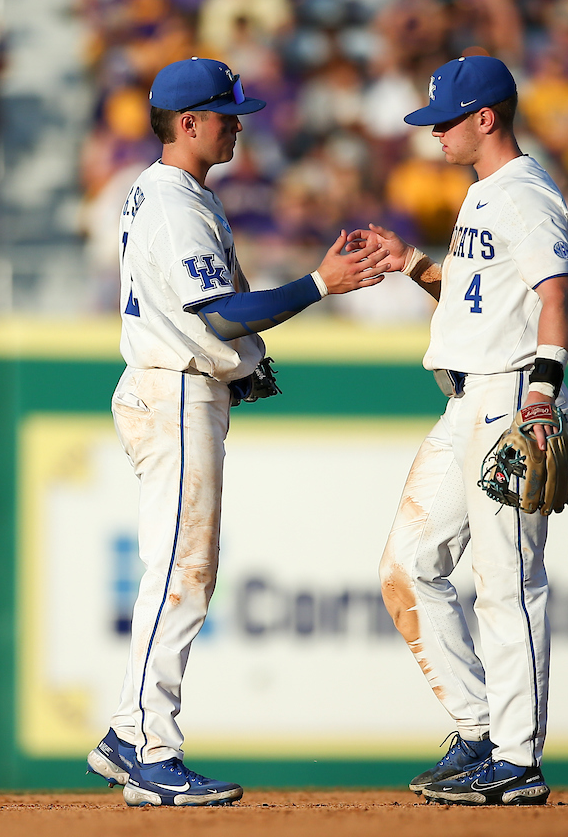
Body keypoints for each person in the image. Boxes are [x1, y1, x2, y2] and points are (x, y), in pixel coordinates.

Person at [85, 57, 389, 807]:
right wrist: (321, 285)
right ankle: (153, 751)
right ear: (187, 123)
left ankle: (131, 733)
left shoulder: (176, 193)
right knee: (180, 573)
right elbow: (217, 314)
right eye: (225, 114)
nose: (237, 124)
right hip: (175, 391)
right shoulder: (174, 202)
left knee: (177, 568)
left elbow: (211, 317)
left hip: (182, 384)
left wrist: (243, 361)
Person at [354, 55, 568, 806]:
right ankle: (482, 729)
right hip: (465, 399)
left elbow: (556, 296)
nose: (436, 133)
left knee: (507, 580)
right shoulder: (485, 194)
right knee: (407, 565)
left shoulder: (525, 194)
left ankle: (517, 760)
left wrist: (542, 394)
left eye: (447, 120)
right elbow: (479, 298)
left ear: (486, 118)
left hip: (513, 393)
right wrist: (412, 265)